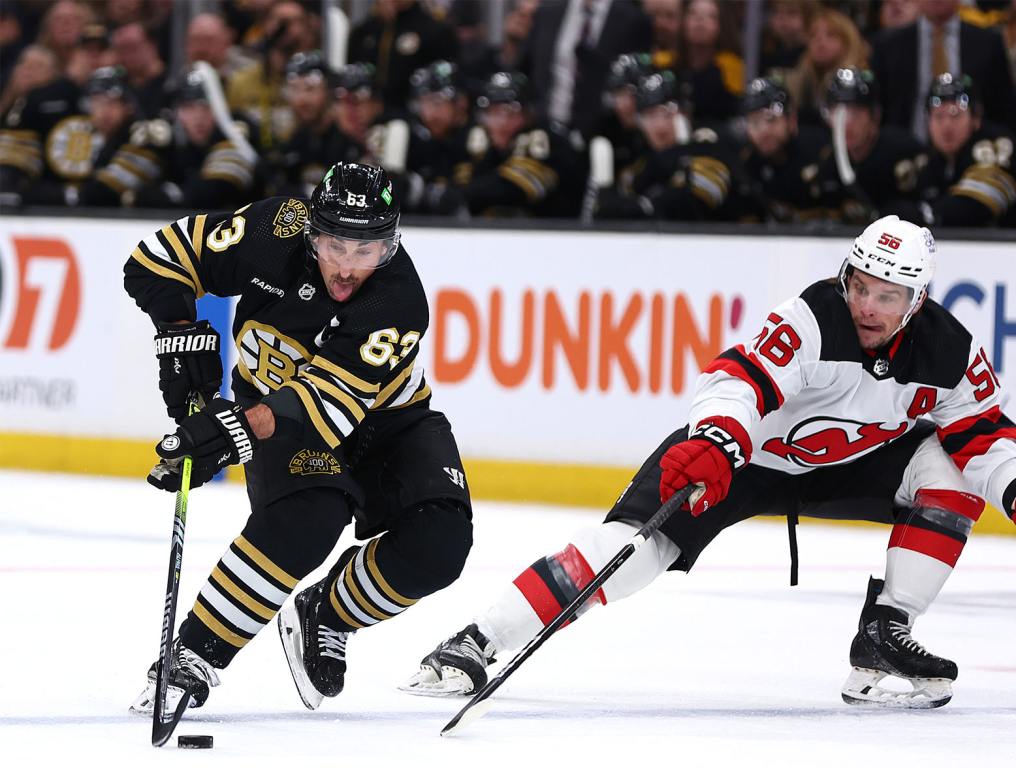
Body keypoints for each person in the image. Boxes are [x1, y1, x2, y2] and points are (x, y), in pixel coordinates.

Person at [403, 215, 1016, 710]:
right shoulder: (810, 319)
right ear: (845, 277)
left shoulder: (949, 351)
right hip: (747, 460)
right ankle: (476, 641)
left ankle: (886, 631)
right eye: (860, 286)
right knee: (631, 556)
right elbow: (740, 379)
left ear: (917, 300)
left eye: (888, 295)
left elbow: (986, 432)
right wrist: (720, 442)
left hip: (853, 465)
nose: (868, 307)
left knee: (951, 470)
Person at [125, 162, 473, 714]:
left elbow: (324, 406)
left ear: (392, 244)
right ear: (311, 231)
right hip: (276, 407)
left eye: (369, 251)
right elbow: (157, 260)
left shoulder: (399, 300)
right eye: (336, 245)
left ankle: (327, 613)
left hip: (388, 422)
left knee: (441, 546)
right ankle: (192, 656)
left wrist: (229, 429)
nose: (348, 268)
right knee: (309, 516)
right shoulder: (275, 228)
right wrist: (177, 331)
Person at [594, 69, 739, 222]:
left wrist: (648, 205)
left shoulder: (711, 145)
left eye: (668, 113)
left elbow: (704, 194)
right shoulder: (639, 168)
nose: (660, 126)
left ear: (686, 113)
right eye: (649, 116)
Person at [812, 67, 926, 225]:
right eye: (837, 114)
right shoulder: (827, 163)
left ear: (875, 115)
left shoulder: (903, 152)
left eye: (856, 112)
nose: (846, 123)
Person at [902, 73, 1015, 228]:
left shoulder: (996, 145)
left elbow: (977, 207)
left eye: (955, 115)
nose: (947, 126)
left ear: (975, 118)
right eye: (938, 116)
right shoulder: (929, 161)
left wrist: (926, 214)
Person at [735, 75, 826, 223]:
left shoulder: (821, 154)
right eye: (754, 122)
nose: (763, 131)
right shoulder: (745, 164)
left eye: (771, 119)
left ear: (792, 120)